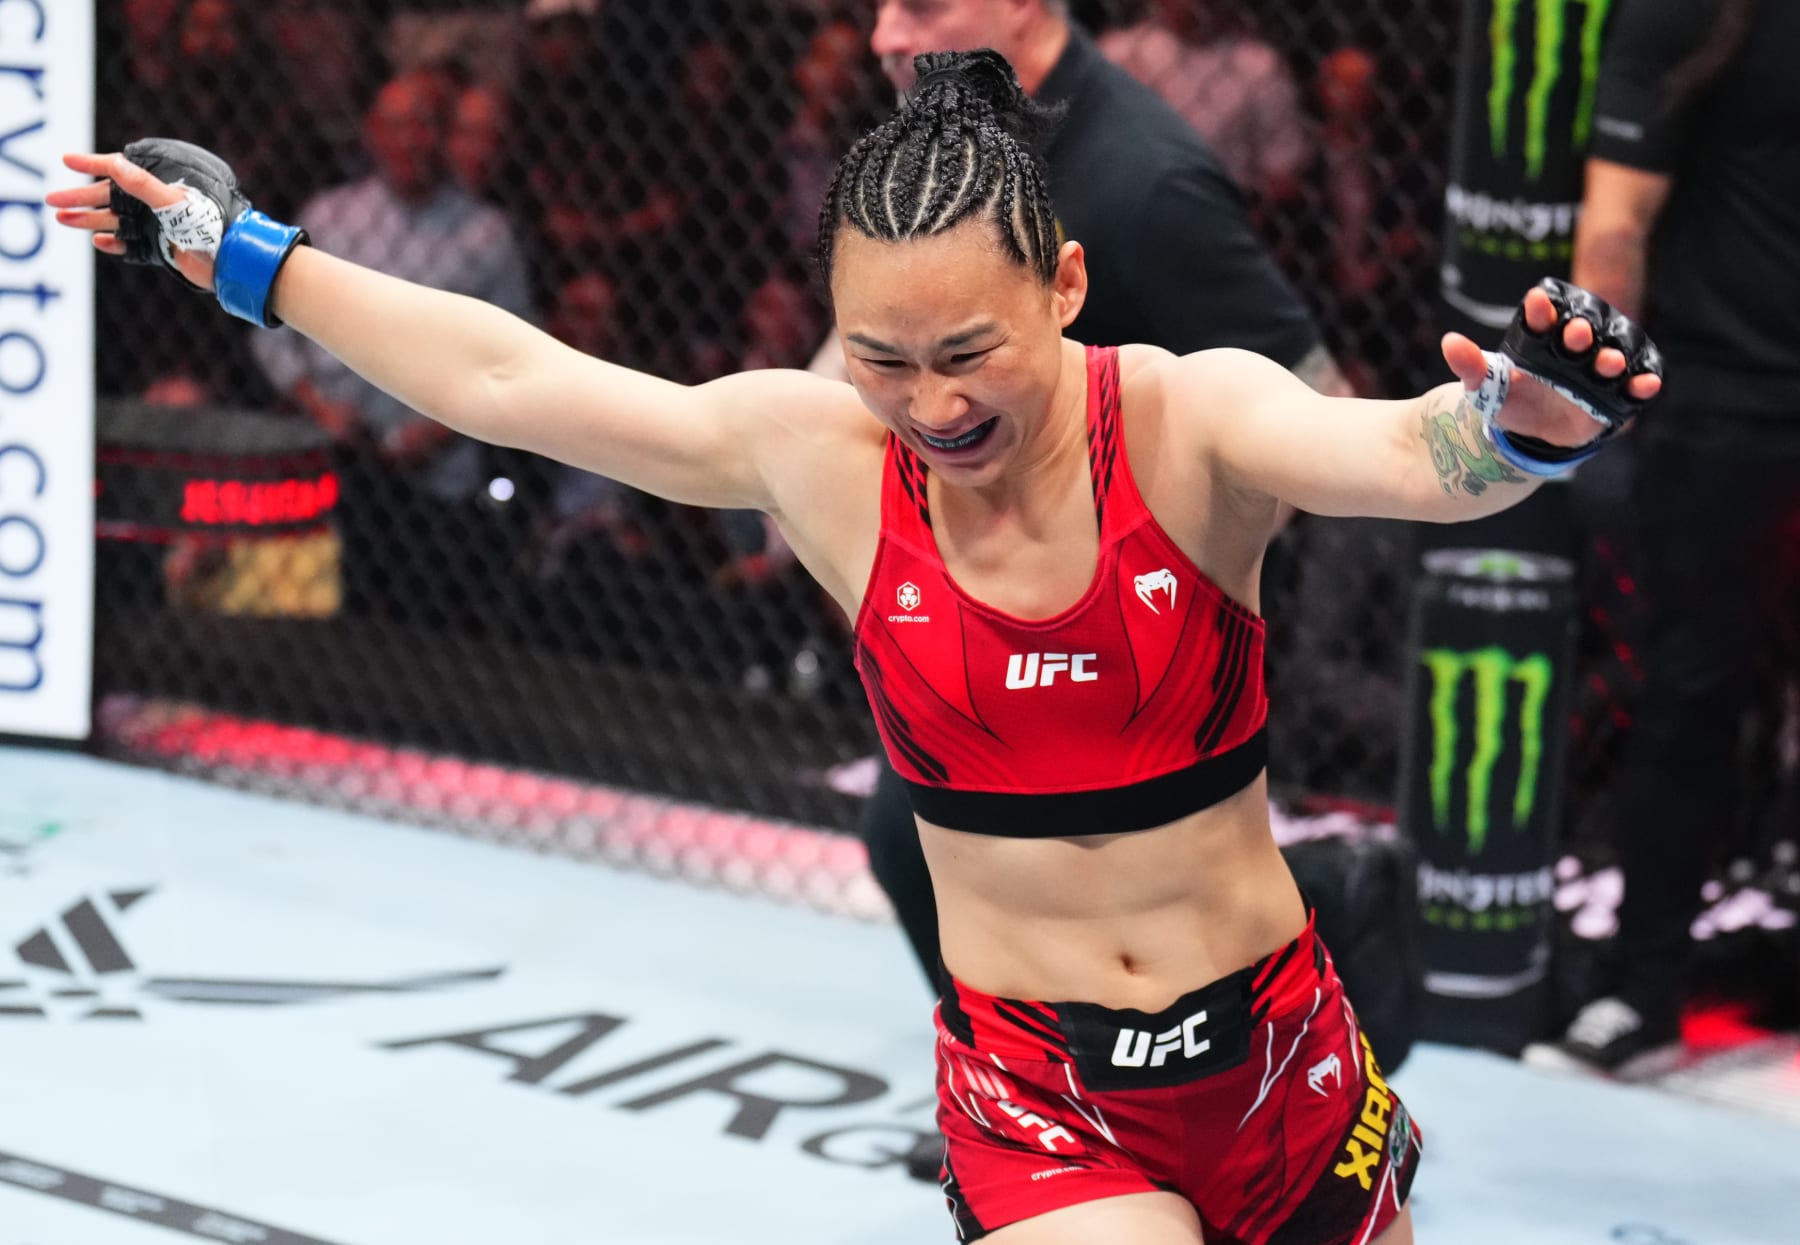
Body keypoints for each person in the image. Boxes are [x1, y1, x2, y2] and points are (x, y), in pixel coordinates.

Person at [51, 47, 1659, 1243]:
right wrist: (238, 254)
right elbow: (510, 380)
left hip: (1275, 1055)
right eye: (885, 357)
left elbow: (1406, 461)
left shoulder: (1186, 418)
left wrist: (1524, 427)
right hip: (1043, 1098)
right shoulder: (814, 454)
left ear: (1069, 286)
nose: (935, 403)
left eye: (971, 351)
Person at [847, 0, 1350, 1019]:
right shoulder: (930, 159)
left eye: (923, 4)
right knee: (914, 839)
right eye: (878, 7)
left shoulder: (1142, 184)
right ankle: (1026, 1071)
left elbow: (1320, 404)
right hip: (989, 607)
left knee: (1156, 894)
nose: (887, 37)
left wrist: (1151, 569)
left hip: (1155, 636)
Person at [1523, 0, 1799, 1076]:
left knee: (1691, 700)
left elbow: (1616, 227)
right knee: (1689, 698)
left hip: (1729, 405)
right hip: (1731, 404)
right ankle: (1643, 992)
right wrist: (1597, 406)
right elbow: (1614, 230)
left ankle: (1647, 992)